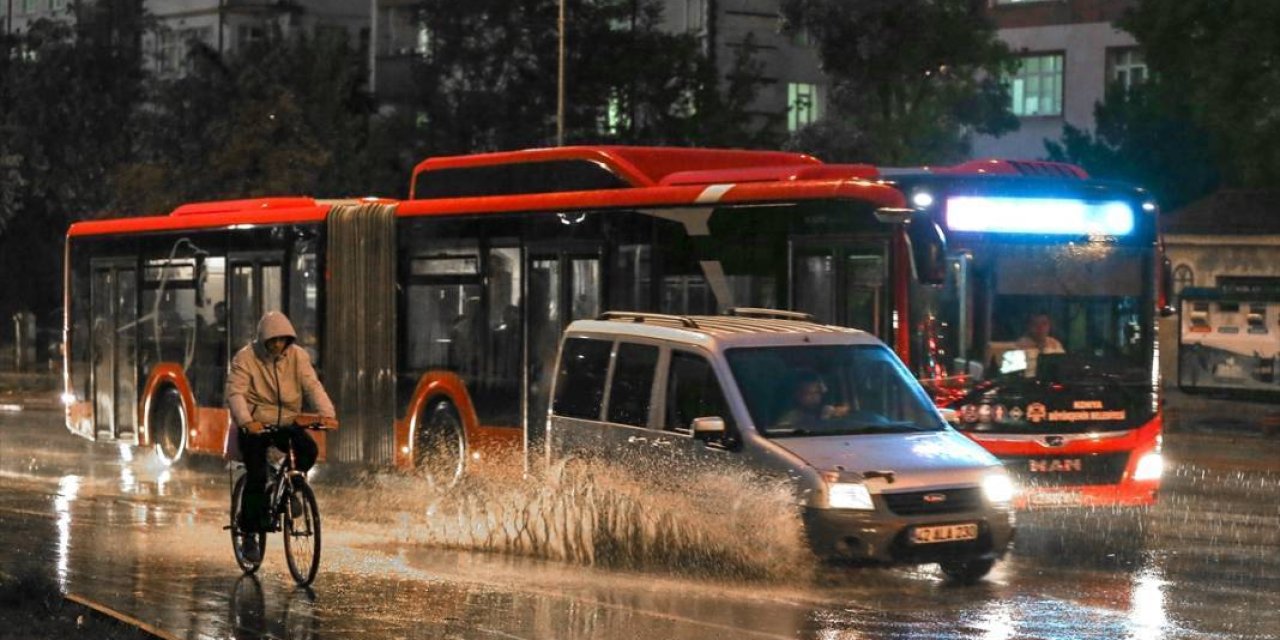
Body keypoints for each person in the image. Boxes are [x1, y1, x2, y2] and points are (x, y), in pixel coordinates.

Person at [226, 311, 336, 563]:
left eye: (282, 340)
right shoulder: (245, 358)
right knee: (256, 475)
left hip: (286, 422)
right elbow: (235, 393)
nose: (277, 345)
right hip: (255, 425)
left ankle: (293, 488)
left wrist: (327, 414)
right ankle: (250, 534)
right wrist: (246, 421)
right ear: (263, 340)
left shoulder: (298, 357)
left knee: (308, 450)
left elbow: (312, 386)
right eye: (272, 340)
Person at [776, 370, 849, 428]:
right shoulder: (790, 419)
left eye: (817, 392)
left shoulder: (825, 411)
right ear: (797, 395)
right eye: (808, 393)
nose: (814, 397)